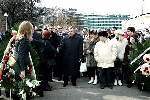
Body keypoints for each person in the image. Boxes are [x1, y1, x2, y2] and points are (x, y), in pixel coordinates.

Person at [13, 21, 33, 100]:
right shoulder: (24, 40)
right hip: (22, 65)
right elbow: (20, 55)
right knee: (21, 87)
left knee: (18, 86)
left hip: (19, 64)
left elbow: (17, 53)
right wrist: (22, 70)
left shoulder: (19, 38)